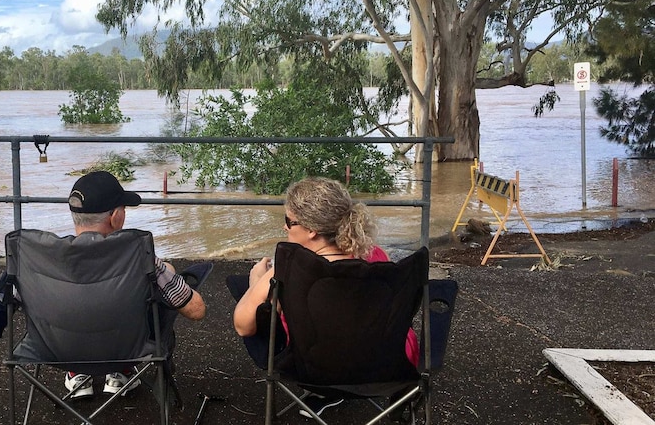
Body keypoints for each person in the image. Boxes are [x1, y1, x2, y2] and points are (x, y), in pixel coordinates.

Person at [229, 176, 419, 418]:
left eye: (289, 221)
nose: (284, 227)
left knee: (256, 311)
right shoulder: (376, 257)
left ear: (311, 230)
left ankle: (327, 392)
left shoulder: (288, 270)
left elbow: (242, 326)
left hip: (312, 371)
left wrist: (256, 282)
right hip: (389, 367)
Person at [63, 170, 208, 399]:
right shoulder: (141, 259)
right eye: (123, 209)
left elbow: (2, 306)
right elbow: (196, 310)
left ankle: (78, 372)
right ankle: (120, 371)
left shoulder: (40, 260)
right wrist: (165, 271)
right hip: (126, 350)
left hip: (59, 350)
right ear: (115, 217)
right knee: (159, 295)